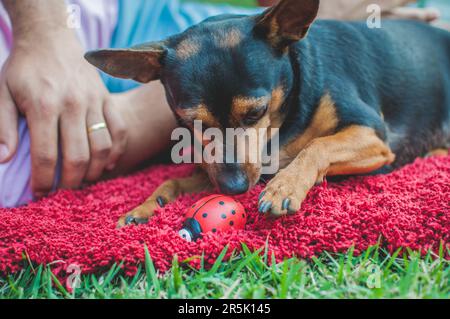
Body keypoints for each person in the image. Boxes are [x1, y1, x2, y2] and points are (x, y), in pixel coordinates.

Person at [0, 0, 442, 208]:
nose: (232, 161)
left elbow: (375, 143)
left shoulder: (318, 76)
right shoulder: (177, 71)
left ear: (292, 26)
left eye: (251, 115)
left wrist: (307, 165)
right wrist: (169, 191)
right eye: (202, 126)